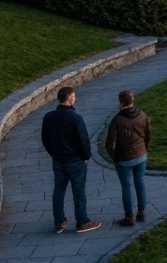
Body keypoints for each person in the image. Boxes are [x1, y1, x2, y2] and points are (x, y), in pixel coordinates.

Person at [40, 87, 101, 234]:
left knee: (58, 191)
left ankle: (59, 221)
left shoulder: (49, 117)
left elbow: (45, 139)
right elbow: (83, 140)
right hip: (76, 161)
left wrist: (53, 153)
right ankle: (82, 222)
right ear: (70, 98)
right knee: (79, 192)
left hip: (58, 161)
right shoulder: (76, 118)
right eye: (74, 96)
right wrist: (86, 157)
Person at [105, 90, 151, 227]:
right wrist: (144, 149)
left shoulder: (117, 121)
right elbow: (148, 134)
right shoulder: (142, 116)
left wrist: (115, 158)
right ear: (133, 101)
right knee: (140, 182)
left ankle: (129, 216)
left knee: (126, 186)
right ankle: (141, 212)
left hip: (123, 159)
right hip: (141, 155)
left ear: (120, 103)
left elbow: (109, 144)